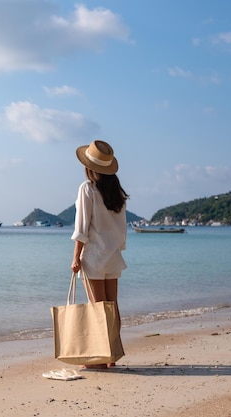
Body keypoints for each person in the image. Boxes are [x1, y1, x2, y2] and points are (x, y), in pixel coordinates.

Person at [70, 140, 128, 369]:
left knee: (98, 308)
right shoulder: (118, 194)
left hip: (94, 256)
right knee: (111, 307)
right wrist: (116, 248)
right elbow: (122, 230)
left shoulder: (87, 188)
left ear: (89, 166)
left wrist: (76, 257)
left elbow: (81, 228)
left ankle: (101, 358)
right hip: (113, 256)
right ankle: (111, 356)